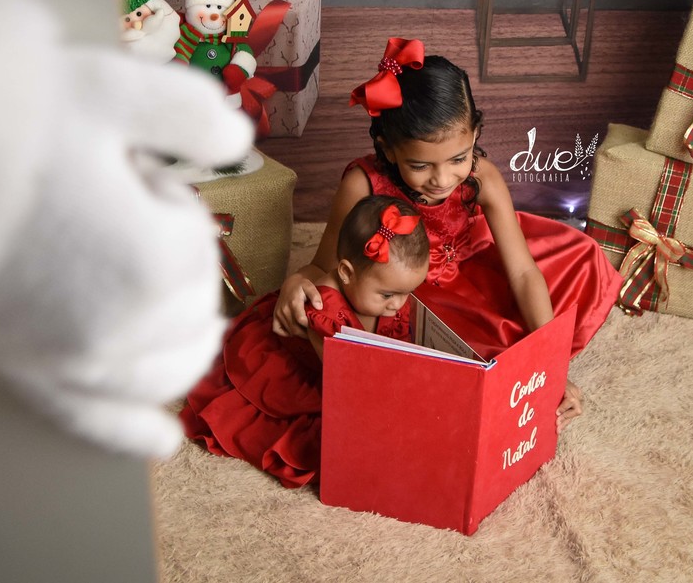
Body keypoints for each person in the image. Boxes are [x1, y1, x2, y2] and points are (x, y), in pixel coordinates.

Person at [272, 37, 623, 432]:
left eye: (458, 158)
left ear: (475, 134)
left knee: (576, 261)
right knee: (334, 317)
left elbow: (524, 272)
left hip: (466, 277)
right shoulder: (362, 183)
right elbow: (326, 267)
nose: (442, 179)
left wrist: (550, 364)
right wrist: (296, 282)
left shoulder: (482, 176)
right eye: (420, 165)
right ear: (389, 150)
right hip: (401, 290)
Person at [181, 194, 430, 488]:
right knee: (324, 443)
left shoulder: (381, 292)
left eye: (407, 292)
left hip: (343, 365)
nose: (398, 305)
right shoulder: (324, 310)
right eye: (388, 295)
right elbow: (346, 382)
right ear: (346, 273)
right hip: (306, 369)